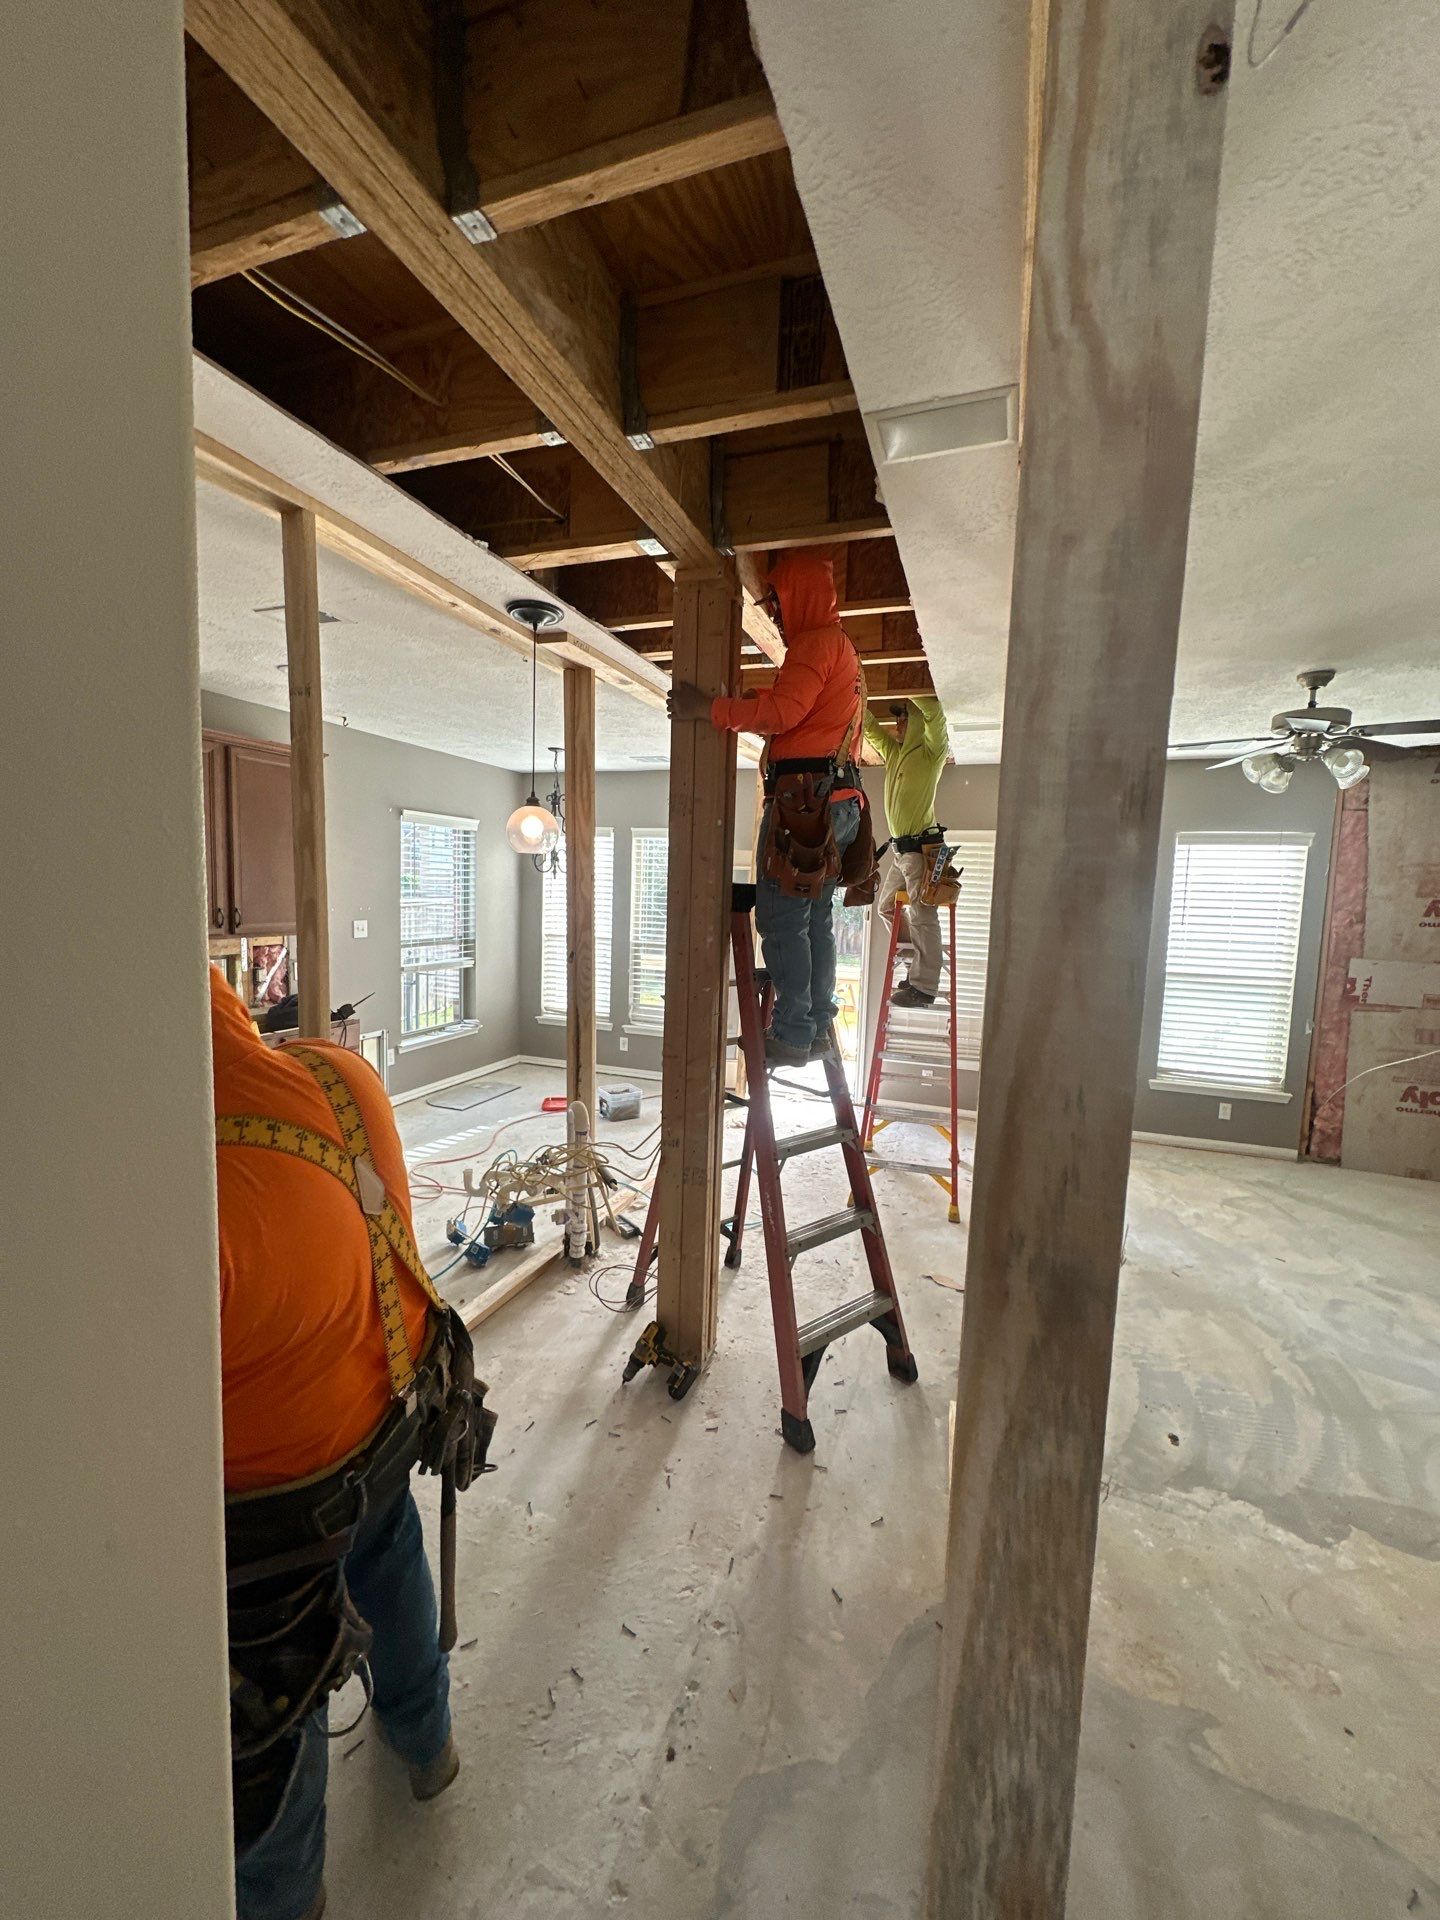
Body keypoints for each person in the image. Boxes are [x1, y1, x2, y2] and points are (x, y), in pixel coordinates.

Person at [212, 966, 471, 1920]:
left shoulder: (168, 1206)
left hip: (266, 1522)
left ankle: (286, 1901)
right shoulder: (340, 1079)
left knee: (280, 1717)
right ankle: (429, 1746)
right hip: (383, 1430)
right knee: (392, 1568)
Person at [669, 550, 866, 1066]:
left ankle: (794, 1032)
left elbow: (782, 714)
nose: (775, 613)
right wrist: (751, 698)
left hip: (804, 806)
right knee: (815, 920)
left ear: (800, 593)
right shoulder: (839, 647)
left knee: (781, 920)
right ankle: (818, 1025)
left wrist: (707, 709)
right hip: (834, 802)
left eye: (777, 601)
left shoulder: (815, 643)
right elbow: (804, 714)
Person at [863, 696, 951, 1006]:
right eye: (899, 720)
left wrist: (914, 692)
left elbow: (936, 718)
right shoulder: (894, 753)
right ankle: (916, 964)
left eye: (904, 719)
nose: (899, 725)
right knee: (886, 907)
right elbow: (872, 731)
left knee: (923, 915)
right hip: (903, 853)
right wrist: (855, 701)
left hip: (921, 850)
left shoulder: (932, 753)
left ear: (915, 722)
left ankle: (924, 986)